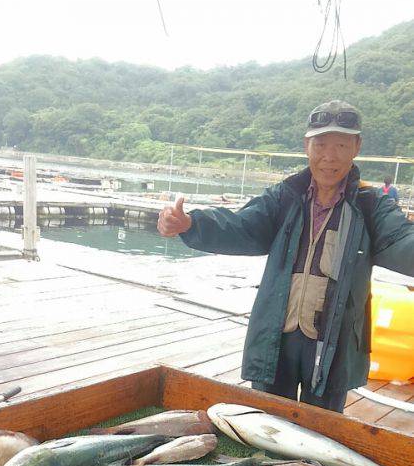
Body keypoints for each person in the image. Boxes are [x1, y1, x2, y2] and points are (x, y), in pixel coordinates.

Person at [157, 100, 414, 413]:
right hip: (277, 334)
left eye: (341, 145)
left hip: (334, 340)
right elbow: (242, 226)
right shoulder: (285, 195)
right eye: (320, 144)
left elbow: (401, 240)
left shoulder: (371, 204)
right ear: (307, 145)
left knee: (322, 427)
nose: (329, 157)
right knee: (269, 420)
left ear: (356, 146)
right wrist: (191, 224)